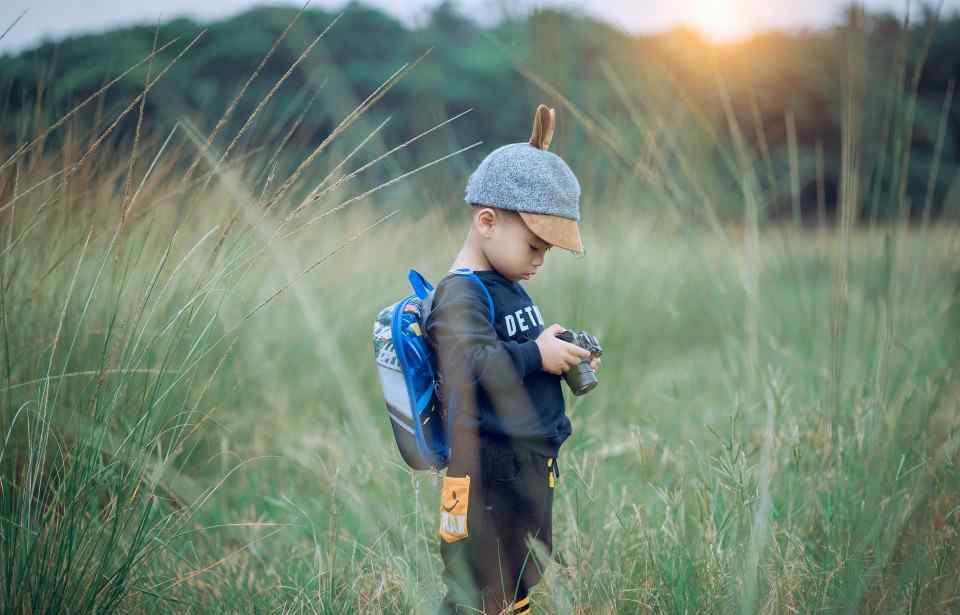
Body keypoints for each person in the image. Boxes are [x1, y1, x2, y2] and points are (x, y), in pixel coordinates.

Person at [425, 104, 601, 615]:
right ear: (486, 221)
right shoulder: (461, 293)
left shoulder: (503, 284)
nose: (540, 260)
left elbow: (512, 348)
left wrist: (556, 347)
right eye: (533, 245)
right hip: (485, 468)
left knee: (518, 572)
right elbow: (474, 363)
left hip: (521, 464)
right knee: (481, 583)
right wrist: (535, 353)